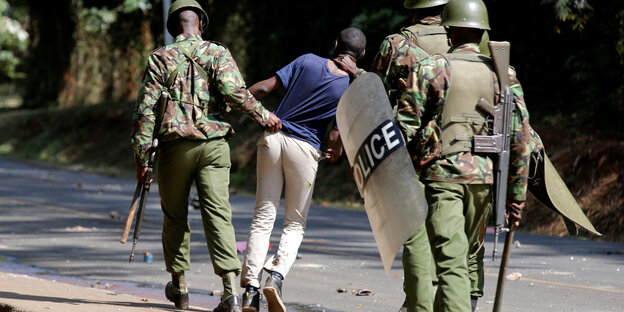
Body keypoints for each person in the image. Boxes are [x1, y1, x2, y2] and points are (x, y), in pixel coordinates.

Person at [130, 1, 281, 311]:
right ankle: (230, 294)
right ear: (200, 24)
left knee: (175, 216)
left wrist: (142, 158)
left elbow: (145, 111)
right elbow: (235, 92)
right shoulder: (217, 52)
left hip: (176, 148)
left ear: (175, 29)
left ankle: (181, 290)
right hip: (214, 146)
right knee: (218, 215)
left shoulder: (160, 57)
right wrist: (263, 115)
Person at [396, 0, 530, 311]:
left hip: (442, 179)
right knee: (464, 255)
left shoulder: (431, 68)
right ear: (482, 30)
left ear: (449, 29)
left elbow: (405, 129)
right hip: (484, 181)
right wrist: (516, 195)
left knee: (451, 263)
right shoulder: (503, 74)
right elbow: (522, 139)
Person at [238, 27, 367, 312]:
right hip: (305, 150)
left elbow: (263, 88)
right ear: (362, 55)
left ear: (335, 45)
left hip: (273, 139)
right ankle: (276, 277)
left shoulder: (307, 60)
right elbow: (335, 134)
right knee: (295, 222)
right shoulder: (350, 86)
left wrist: (248, 106)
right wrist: (336, 151)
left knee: (263, 214)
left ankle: (250, 290)